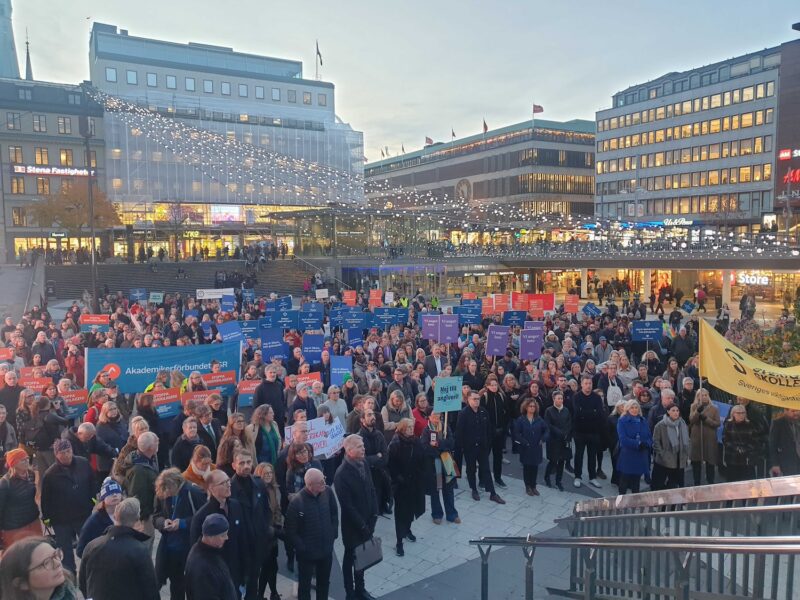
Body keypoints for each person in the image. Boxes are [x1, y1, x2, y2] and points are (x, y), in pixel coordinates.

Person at [78, 497, 159, 600]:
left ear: (115, 516)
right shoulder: (139, 550)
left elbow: (83, 583)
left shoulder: (92, 546)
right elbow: (150, 588)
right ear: (137, 519)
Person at [334, 434, 379, 600]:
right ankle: (349, 592)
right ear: (350, 451)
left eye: (363, 445)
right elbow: (347, 506)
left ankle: (361, 588)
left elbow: (372, 489)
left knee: (362, 557)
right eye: (360, 447)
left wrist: (374, 515)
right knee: (350, 557)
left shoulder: (364, 463)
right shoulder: (341, 474)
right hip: (353, 526)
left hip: (368, 520)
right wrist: (362, 525)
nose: (364, 448)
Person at [190, 469, 250, 593]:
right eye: (223, 483)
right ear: (211, 488)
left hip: (235, 571)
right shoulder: (202, 517)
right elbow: (197, 550)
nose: (229, 484)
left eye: (228, 481)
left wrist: (245, 569)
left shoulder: (236, 506)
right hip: (215, 575)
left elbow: (243, 539)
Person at [40, 439, 95, 573]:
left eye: (68, 451)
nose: (66, 455)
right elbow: (45, 498)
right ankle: (70, 576)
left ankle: (91, 571)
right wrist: (46, 518)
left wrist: (93, 501)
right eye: (62, 452)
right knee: (66, 553)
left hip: (83, 514)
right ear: (56, 454)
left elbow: (92, 483)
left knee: (88, 546)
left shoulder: (83, 463)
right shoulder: (50, 474)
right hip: (61, 520)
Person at [284, 468, 339, 600]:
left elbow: (334, 514)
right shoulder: (297, 503)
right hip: (307, 555)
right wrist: (302, 548)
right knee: (304, 587)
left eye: (323, 479)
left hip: (325, 550)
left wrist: (333, 534)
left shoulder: (328, 492)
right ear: (309, 485)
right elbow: (290, 531)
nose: (324, 483)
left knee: (324, 583)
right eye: (320, 482)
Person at [153, 468, 207, 600]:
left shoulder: (194, 492)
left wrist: (182, 523)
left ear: (175, 484)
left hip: (188, 548)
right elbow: (156, 516)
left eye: (169, 492)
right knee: (174, 586)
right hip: (168, 548)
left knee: (191, 587)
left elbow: (203, 518)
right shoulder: (162, 492)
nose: (167, 496)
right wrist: (163, 523)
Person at [230, 449, 273, 600]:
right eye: (242, 463)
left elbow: (266, 510)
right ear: (234, 465)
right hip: (240, 547)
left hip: (257, 544)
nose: (246, 466)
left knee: (253, 584)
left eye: (248, 462)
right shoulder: (229, 488)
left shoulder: (258, 483)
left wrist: (265, 530)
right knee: (237, 585)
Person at [456, 391, 505, 504]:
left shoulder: (483, 411)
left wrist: (487, 443)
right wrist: (462, 447)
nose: (477, 401)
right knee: (471, 469)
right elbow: (460, 432)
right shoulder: (463, 413)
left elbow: (488, 428)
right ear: (468, 400)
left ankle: (492, 493)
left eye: (478, 398)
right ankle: (474, 489)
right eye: (474, 399)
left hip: (483, 447)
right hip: (470, 447)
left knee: (486, 469)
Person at [387, 418, 426, 557]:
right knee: (400, 513)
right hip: (401, 485)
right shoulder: (396, 443)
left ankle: (408, 529)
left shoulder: (416, 441)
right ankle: (399, 541)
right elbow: (390, 464)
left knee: (411, 509)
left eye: (412, 427)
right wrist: (399, 478)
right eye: (408, 427)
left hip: (414, 483)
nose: (411, 429)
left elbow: (422, 459)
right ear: (403, 428)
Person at [0, 536, 79, 599]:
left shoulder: (67, 591)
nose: (57, 563)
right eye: (46, 563)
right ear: (23, 583)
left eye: (56, 555)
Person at [185, 514, 239, 600]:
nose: (227, 538)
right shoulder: (202, 567)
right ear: (210, 537)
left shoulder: (209, 552)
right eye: (223, 535)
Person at [120, 431, 160, 544]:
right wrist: (143, 518)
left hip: (148, 511)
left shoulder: (148, 459)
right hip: (143, 517)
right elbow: (137, 496)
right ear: (150, 447)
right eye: (156, 442)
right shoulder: (139, 471)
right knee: (146, 542)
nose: (158, 443)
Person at [421, 411, 460, 524]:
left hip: (447, 462)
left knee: (449, 489)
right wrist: (441, 448)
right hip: (435, 463)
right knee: (436, 490)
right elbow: (425, 447)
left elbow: (451, 443)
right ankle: (437, 514)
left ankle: (452, 514)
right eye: (434, 416)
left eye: (439, 416)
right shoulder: (426, 430)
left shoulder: (445, 427)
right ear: (429, 417)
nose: (437, 418)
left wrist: (438, 444)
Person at [0, 448, 41, 549]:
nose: (27, 461)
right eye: (22, 460)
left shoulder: (31, 474)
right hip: (15, 529)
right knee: (18, 559)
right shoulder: (5, 483)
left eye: (27, 458)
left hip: (33, 522)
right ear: (13, 463)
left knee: (38, 553)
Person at [253, 462, 282, 600]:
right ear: (259, 474)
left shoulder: (274, 489)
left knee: (272, 566)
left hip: (274, 532)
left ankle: (273, 592)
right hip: (263, 536)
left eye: (270, 473)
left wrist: (278, 524)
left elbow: (278, 509)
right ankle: (263, 594)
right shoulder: (257, 491)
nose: (269, 476)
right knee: (266, 566)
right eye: (266, 473)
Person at [572, 375, 606, 489]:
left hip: (594, 432)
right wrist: (592, 412)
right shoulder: (576, 397)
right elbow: (577, 414)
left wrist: (585, 413)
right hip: (579, 432)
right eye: (586, 383)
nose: (588, 386)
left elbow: (600, 414)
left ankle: (592, 477)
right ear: (581, 384)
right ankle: (577, 476)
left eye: (590, 383)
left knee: (592, 456)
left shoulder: (596, 397)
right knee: (579, 455)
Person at [76, 477, 123, 558]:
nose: (115, 495)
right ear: (103, 499)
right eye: (110, 493)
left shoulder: (126, 514)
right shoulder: (94, 521)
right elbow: (80, 550)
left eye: (117, 492)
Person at [512, 398, 550, 496]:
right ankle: (528, 486)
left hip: (536, 447)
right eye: (530, 406)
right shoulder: (521, 419)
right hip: (526, 447)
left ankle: (534, 486)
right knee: (527, 467)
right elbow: (516, 433)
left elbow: (546, 430)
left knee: (535, 467)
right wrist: (524, 442)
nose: (532, 408)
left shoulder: (539, 419)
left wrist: (543, 439)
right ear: (526, 407)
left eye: (534, 406)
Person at [358, 409, 392, 515]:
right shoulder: (359, 437)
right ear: (362, 420)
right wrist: (376, 457)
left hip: (380, 471)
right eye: (369, 415)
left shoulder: (379, 435)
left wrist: (374, 460)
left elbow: (385, 455)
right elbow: (362, 459)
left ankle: (383, 505)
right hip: (367, 473)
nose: (373, 417)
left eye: (373, 414)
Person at [615, 400, 653, 494]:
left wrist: (647, 443)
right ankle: (621, 503)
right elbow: (623, 439)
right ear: (627, 409)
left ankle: (635, 503)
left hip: (641, 455)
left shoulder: (643, 420)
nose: (634, 410)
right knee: (624, 481)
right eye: (632, 407)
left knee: (636, 482)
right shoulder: (622, 421)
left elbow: (649, 436)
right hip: (628, 455)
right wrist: (638, 444)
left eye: (636, 408)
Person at [651, 403, 690, 490]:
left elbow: (686, 440)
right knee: (659, 484)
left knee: (675, 484)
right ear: (668, 412)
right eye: (673, 410)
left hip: (679, 459)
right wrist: (663, 454)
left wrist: (685, 454)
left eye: (677, 410)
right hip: (664, 460)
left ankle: (674, 502)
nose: (676, 413)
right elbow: (656, 442)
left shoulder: (682, 424)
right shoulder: (660, 425)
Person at [481, 377, 511, 489]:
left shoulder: (501, 396)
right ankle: (482, 479)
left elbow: (506, 412)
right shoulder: (484, 397)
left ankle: (498, 478)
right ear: (487, 386)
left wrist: (503, 427)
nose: (494, 387)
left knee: (498, 457)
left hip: (500, 432)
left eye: (495, 384)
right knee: (484, 456)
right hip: (488, 433)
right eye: (492, 385)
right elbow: (483, 415)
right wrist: (490, 428)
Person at [688, 388, 720, 485]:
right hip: (697, 438)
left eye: (706, 395)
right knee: (696, 462)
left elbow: (717, 423)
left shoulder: (714, 408)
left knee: (710, 462)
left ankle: (710, 481)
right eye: (702, 395)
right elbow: (691, 420)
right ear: (698, 397)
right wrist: (697, 412)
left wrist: (706, 419)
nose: (704, 397)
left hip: (709, 438)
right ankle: (696, 482)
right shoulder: (693, 406)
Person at [543, 391, 571, 491]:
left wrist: (566, 433)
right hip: (553, 440)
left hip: (563, 440)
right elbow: (548, 424)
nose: (560, 400)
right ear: (554, 399)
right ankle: (547, 477)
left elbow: (569, 423)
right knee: (553, 461)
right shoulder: (549, 410)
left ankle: (558, 481)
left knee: (562, 461)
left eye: (561, 398)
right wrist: (559, 432)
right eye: (558, 398)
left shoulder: (566, 410)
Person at [722, 405, 758, 482]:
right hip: (732, 458)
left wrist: (746, 449)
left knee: (747, 483)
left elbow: (754, 440)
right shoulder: (728, 425)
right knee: (733, 483)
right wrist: (736, 448)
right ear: (733, 414)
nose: (741, 415)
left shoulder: (750, 425)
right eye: (738, 413)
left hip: (746, 460)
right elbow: (725, 440)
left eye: (743, 413)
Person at [768, 409, 800, 477]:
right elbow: (772, 445)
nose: (796, 413)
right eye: (793, 411)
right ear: (785, 411)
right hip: (786, 462)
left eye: (798, 410)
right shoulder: (778, 423)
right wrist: (775, 464)